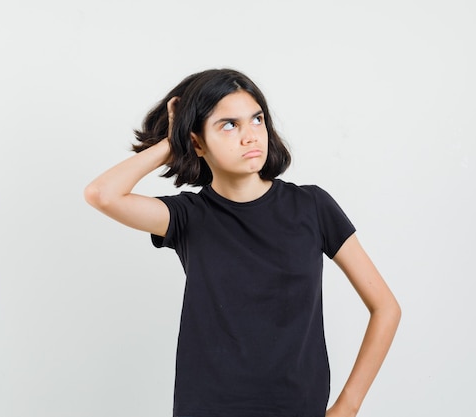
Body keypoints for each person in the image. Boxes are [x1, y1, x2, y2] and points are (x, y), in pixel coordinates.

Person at [84, 68, 401, 417]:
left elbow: (385, 307)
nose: (250, 136)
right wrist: (170, 144)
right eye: (229, 125)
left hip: (297, 408)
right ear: (198, 142)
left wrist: (347, 407)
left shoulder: (312, 206)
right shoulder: (188, 216)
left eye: (257, 119)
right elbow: (102, 194)